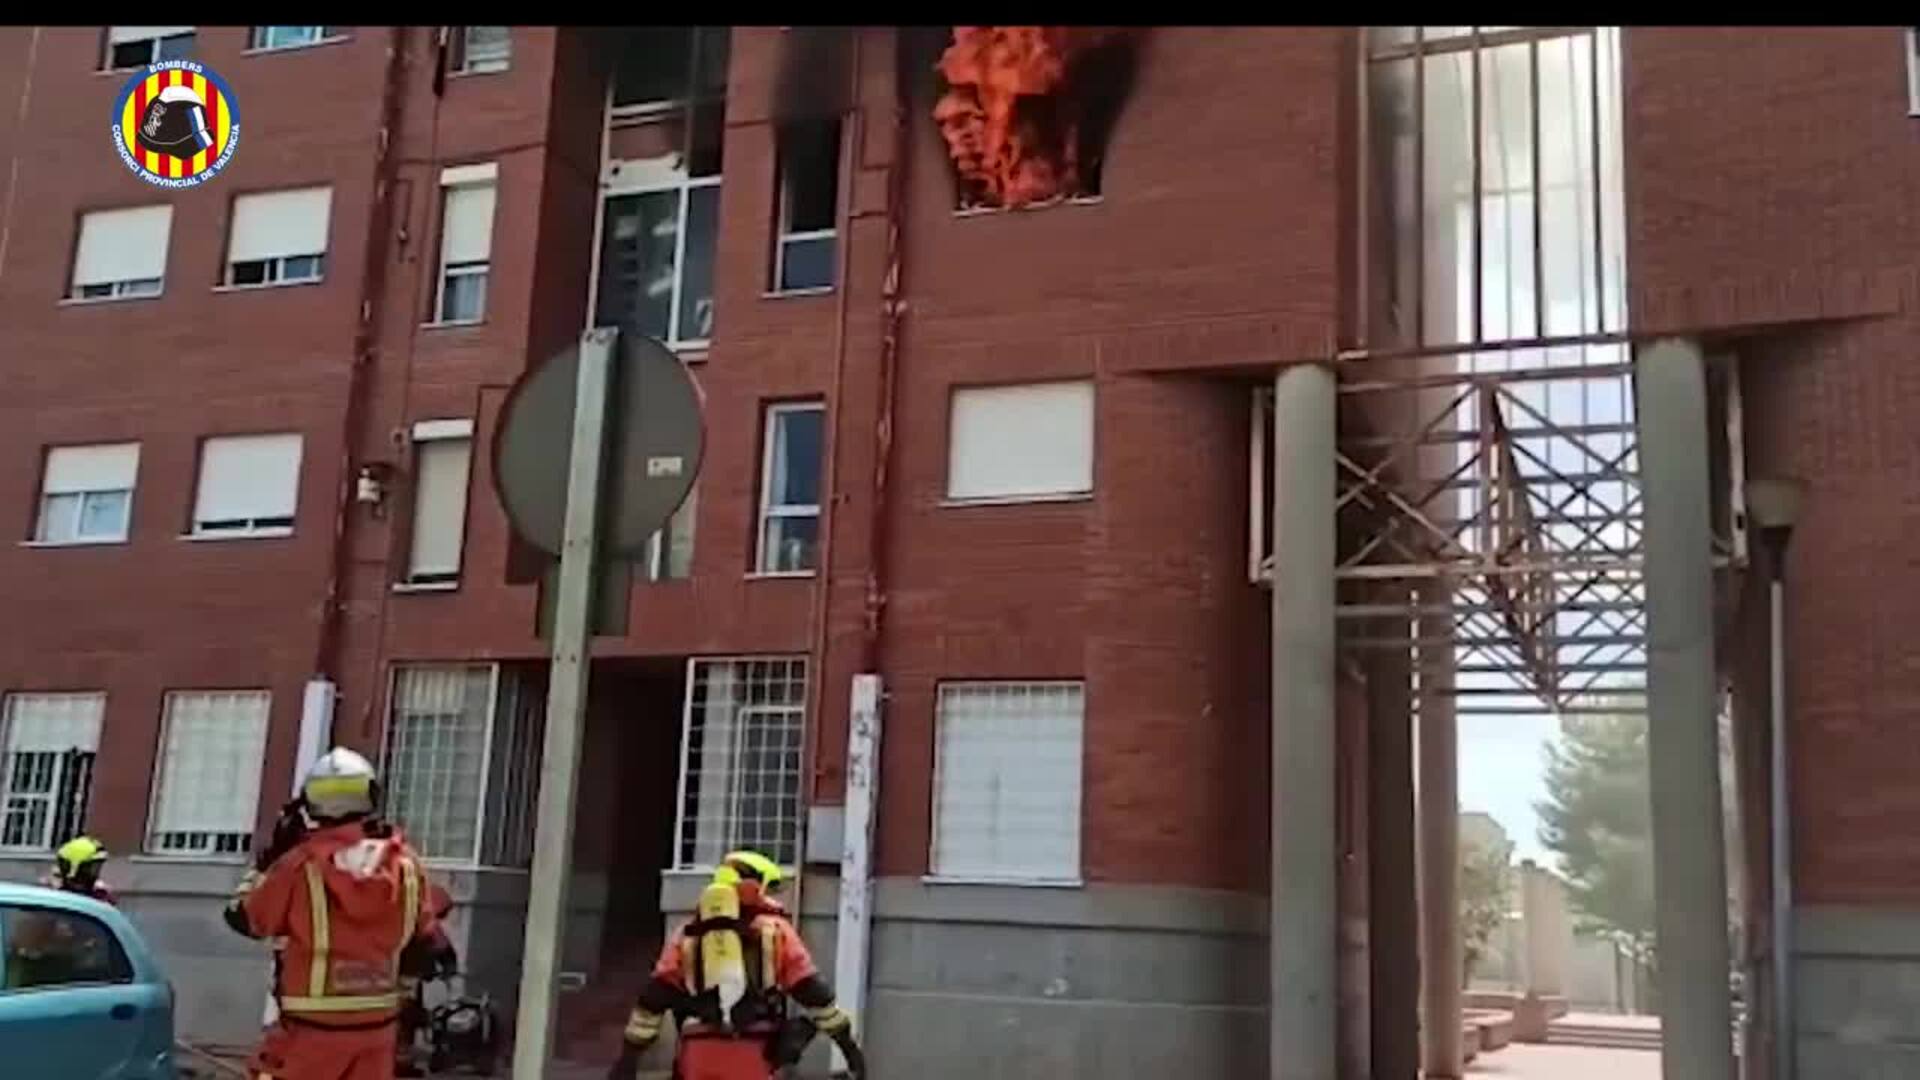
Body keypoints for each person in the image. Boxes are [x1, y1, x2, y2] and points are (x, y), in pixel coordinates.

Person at [224, 747, 442, 1080]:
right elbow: (427, 938)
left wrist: (266, 862)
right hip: (378, 1031)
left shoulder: (298, 865)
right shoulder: (407, 865)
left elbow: (245, 918)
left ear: (310, 803)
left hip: (309, 1033)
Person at [608, 850, 866, 1080]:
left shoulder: (687, 934)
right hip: (754, 1052)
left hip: (697, 1053)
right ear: (758, 886)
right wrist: (849, 1049)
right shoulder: (776, 932)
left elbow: (652, 1001)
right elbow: (814, 995)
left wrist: (628, 1060)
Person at [42, 835, 117, 905]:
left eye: (98, 867)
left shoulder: (100, 896)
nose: (96, 874)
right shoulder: (50, 895)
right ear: (75, 866)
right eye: (93, 868)